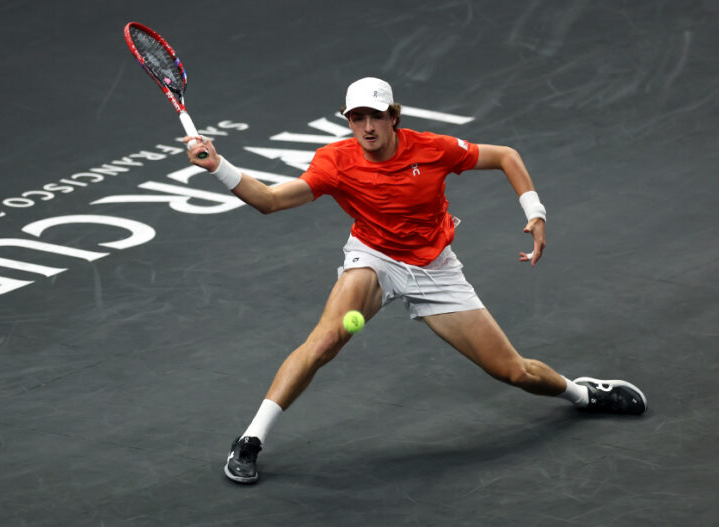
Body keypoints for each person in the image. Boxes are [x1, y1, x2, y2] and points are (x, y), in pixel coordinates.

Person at [183, 77, 647, 485]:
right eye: (356, 117)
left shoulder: (433, 148)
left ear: (394, 117)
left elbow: (506, 155)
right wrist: (218, 166)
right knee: (325, 341)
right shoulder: (336, 161)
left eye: (376, 117)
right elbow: (268, 201)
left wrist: (536, 212)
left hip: (435, 271)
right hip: (374, 260)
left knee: (513, 371)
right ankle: (249, 441)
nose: (366, 127)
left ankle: (584, 393)